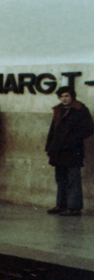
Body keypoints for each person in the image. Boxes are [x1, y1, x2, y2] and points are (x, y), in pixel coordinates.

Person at [47, 86, 92, 216]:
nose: (64, 99)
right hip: (58, 150)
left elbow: (88, 129)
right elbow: (53, 130)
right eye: (61, 96)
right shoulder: (58, 110)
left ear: (72, 96)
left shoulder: (81, 110)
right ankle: (61, 205)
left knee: (73, 179)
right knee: (60, 179)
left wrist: (73, 140)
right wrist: (49, 147)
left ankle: (74, 207)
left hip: (73, 150)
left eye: (66, 96)